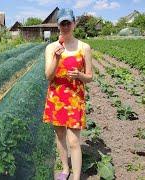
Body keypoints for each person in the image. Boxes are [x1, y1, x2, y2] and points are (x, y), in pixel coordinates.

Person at [42, 8, 93, 180]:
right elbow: (48, 76)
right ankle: (65, 169)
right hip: (56, 98)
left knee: (74, 141)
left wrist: (79, 75)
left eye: (68, 23)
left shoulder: (84, 48)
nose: (65, 26)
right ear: (58, 26)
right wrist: (56, 59)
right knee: (60, 135)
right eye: (62, 23)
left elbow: (90, 77)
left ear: (74, 24)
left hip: (75, 98)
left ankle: (76, 177)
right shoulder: (51, 48)